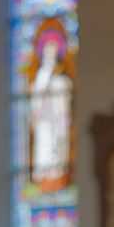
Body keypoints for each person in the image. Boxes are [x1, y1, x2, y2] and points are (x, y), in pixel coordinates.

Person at [29, 22, 74, 191]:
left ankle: (57, 180)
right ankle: (44, 182)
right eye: (48, 47)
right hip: (44, 121)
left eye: (54, 47)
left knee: (57, 149)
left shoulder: (61, 74)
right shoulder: (42, 73)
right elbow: (36, 93)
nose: (50, 51)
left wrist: (58, 86)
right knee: (44, 148)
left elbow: (65, 91)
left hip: (57, 118)